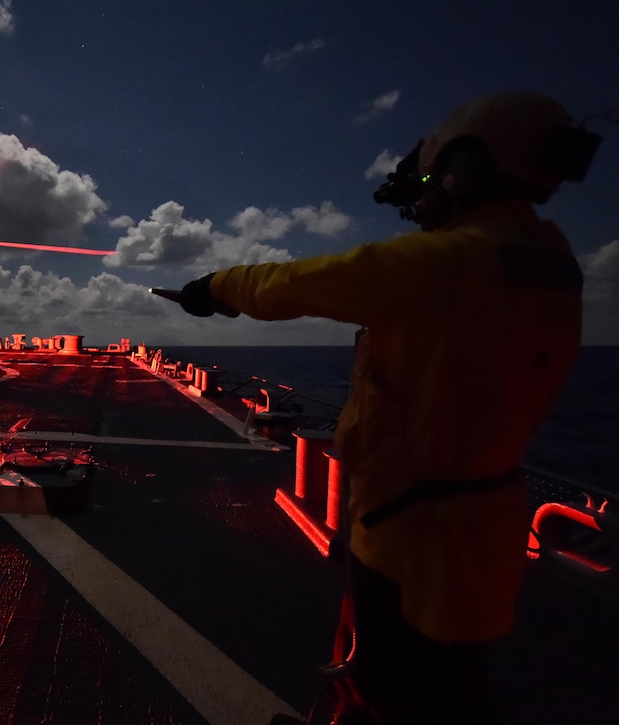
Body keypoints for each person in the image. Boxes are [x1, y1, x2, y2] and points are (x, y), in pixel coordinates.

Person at [178, 91, 599, 724]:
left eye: (435, 177)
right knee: (447, 684)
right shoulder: (550, 261)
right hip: (483, 528)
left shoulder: (447, 263)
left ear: (469, 166)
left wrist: (212, 288)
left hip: (413, 538)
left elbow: (292, 283)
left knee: (407, 692)